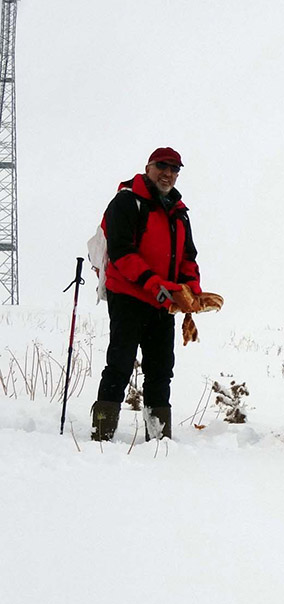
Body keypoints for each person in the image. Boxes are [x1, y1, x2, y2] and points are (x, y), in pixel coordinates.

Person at [90, 147, 203, 441]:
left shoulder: (179, 213)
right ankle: (101, 431)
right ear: (148, 167)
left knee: (161, 369)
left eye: (174, 169)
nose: (168, 174)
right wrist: (155, 283)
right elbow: (121, 251)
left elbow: (188, 257)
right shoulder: (127, 202)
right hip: (128, 295)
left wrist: (192, 290)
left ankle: (159, 436)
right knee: (120, 364)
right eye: (162, 167)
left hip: (162, 302)